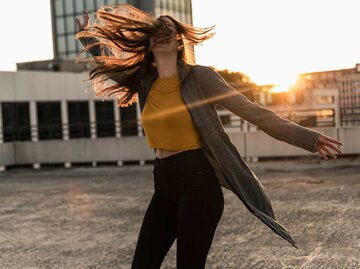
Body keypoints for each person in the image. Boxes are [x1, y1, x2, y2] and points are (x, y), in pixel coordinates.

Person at [75, 4, 343, 268]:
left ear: (179, 42)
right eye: (157, 30)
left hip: (198, 185)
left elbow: (253, 112)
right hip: (163, 184)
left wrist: (309, 138)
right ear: (149, 44)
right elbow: (111, 67)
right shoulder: (145, 82)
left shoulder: (200, 78)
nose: (163, 31)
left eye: (169, 29)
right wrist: (88, 37)